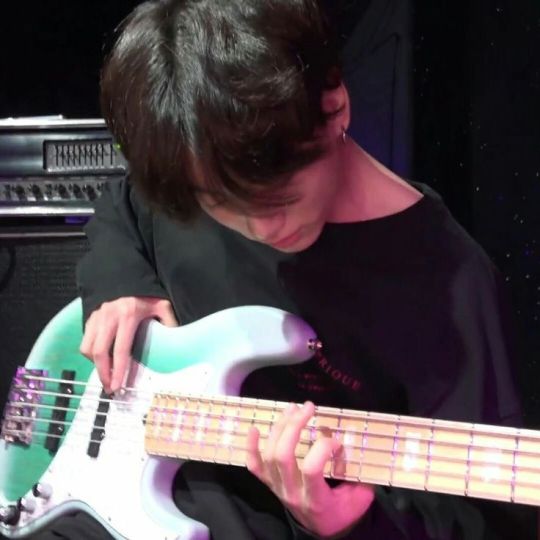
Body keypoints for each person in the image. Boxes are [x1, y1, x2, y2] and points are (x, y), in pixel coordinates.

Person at [42, 0, 532, 538]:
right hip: (95, 498)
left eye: (278, 197)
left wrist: (349, 525)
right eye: (219, 203)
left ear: (334, 107)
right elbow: (124, 204)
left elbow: (489, 524)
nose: (261, 228)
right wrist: (120, 283)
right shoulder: (202, 164)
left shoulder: (452, 285)